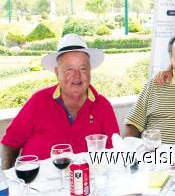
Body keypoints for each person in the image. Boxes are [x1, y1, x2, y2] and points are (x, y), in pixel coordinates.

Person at [1, 34, 119, 169]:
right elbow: (11, 142)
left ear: (90, 72)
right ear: (57, 72)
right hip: (36, 184)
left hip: (86, 184)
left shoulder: (103, 106)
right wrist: (7, 179)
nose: (77, 76)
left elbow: (115, 152)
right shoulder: (38, 101)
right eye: (69, 69)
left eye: (83, 68)